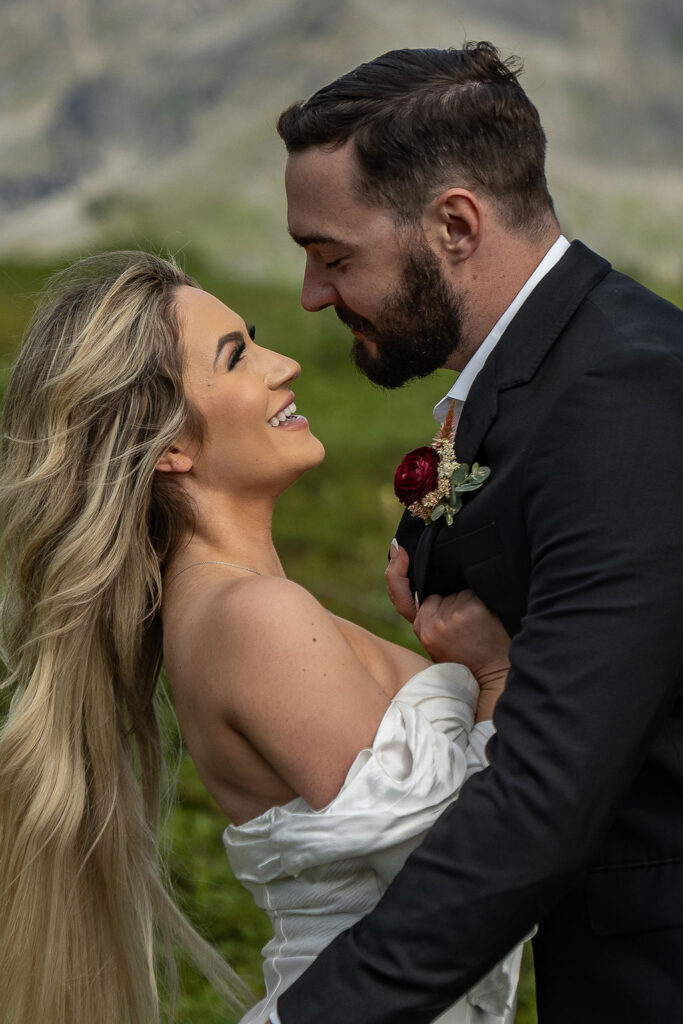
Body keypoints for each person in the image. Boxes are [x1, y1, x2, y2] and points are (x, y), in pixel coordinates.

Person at [273, 41, 683, 1024]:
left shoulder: (625, 395)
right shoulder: (543, 374)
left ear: (454, 223)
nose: (312, 297)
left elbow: (545, 796)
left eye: (334, 257)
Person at [0, 250, 516, 1024]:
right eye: (236, 356)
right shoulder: (249, 618)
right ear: (168, 444)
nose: (284, 365)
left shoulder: (241, 608)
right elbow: (467, 874)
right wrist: (498, 673)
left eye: (255, 339)